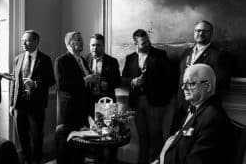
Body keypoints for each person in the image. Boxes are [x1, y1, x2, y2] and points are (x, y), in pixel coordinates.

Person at [151, 64, 230, 164]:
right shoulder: (195, 108)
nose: (184, 88)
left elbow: (196, 161)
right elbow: (176, 142)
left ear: (208, 86)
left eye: (191, 83)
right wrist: (159, 159)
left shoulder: (213, 118)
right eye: (183, 84)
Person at [122, 29, 172, 164]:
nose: (147, 44)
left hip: (156, 102)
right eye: (143, 43)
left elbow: (169, 78)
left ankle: (157, 161)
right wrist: (132, 81)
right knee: (142, 136)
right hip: (137, 102)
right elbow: (123, 79)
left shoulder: (160, 55)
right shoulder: (130, 58)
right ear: (135, 43)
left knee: (155, 135)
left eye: (148, 41)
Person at [173, 20, 231, 132]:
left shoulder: (218, 56)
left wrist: (199, 96)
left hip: (203, 108)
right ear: (194, 32)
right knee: (177, 141)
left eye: (205, 31)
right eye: (198, 30)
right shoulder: (186, 52)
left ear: (211, 34)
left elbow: (221, 83)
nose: (200, 33)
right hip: (182, 106)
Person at [9, 30, 55, 164]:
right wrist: (12, 104)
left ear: (36, 42)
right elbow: (14, 82)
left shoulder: (45, 59)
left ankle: (36, 161)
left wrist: (35, 84)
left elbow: (51, 80)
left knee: (36, 137)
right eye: (22, 40)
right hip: (19, 105)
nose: (23, 43)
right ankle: (26, 161)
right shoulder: (18, 59)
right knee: (22, 137)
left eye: (27, 40)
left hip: (36, 105)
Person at [54, 31, 98, 164]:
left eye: (81, 39)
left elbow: (84, 85)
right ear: (68, 44)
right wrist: (86, 80)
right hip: (70, 112)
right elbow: (62, 85)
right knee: (66, 147)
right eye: (77, 40)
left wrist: (92, 84)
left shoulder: (83, 60)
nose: (81, 42)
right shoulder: (61, 61)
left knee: (80, 148)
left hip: (83, 111)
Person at [85, 33, 121, 104]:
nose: (95, 48)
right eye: (93, 45)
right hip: (87, 100)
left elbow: (117, 81)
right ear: (89, 45)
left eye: (98, 45)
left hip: (106, 101)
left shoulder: (112, 61)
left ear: (103, 46)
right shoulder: (84, 60)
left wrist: (108, 85)